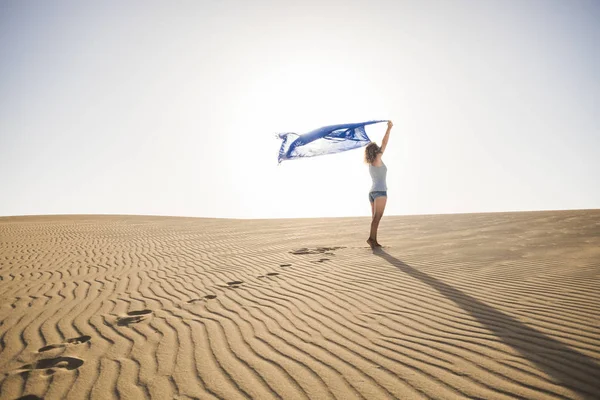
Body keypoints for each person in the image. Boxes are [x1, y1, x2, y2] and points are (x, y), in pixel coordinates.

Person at [364, 120, 393, 248]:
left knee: (374, 219)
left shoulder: (371, 163)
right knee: (377, 218)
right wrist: (389, 129)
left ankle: (373, 240)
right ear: (376, 151)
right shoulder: (377, 159)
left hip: (372, 192)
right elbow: (384, 142)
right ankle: (371, 239)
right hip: (380, 192)